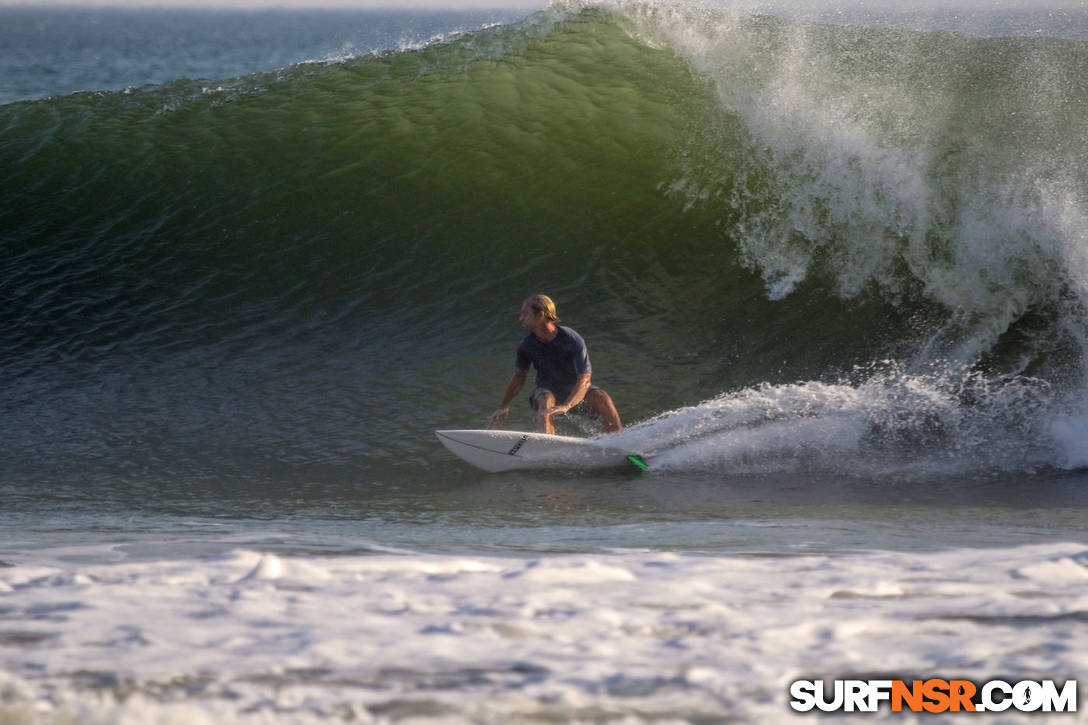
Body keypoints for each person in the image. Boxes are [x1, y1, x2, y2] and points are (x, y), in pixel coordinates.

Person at [487, 294, 622, 435]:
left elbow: (585, 379)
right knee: (546, 400)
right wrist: (503, 407)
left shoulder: (571, 339)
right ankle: (548, 443)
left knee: (602, 397)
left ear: (540, 315)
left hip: (575, 394)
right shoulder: (526, 346)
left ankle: (618, 440)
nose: (520, 318)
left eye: (525, 314)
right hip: (546, 391)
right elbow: (519, 377)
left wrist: (567, 405)